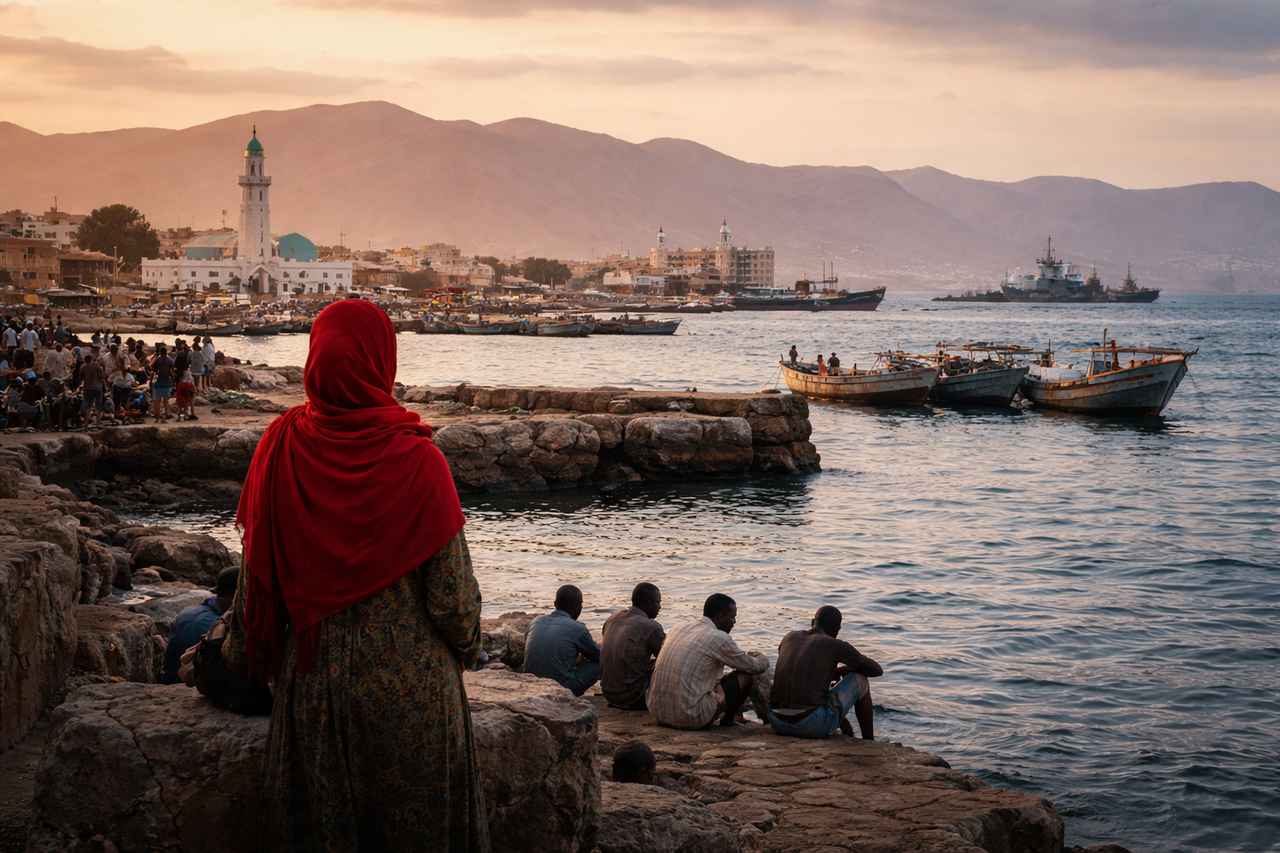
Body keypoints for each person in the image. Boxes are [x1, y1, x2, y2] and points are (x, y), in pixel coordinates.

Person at [221, 299, 489, 851]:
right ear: (381, 361)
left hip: (315, 689)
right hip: (412, 695)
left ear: (315, 359)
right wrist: (468, 648)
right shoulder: (418, 462)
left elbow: (257, 586)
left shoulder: (280, 447)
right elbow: (454, 605)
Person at [647, 593, 770, 729]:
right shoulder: (719, 638)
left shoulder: (678, 628)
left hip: (657, 711)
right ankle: (728, 720)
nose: (734, 622)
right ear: (720, 616)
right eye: (732, 617)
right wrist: (761, 656)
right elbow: (753, 666)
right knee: (747, 676)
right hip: (689, 716)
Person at [768, 606, 883, 740]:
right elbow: (876, 670)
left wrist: (833, 671)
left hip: (776, 721)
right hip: (808, 725)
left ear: (813, 622)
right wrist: (848, 669)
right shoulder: (834, 644)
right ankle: (869, 741)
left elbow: (799, 674)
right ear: (837, 629)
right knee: (860, 680)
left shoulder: (789, 637)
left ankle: (839, 723)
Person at [161, 567, 239, 684]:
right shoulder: (213, 627)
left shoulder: (194, 610)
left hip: (170, 677)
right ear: (234, 596)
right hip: (184, 684)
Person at [524, 584, 601, 697]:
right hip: (561, 689)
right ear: (579, 607)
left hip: (531, 684)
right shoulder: (578, 628)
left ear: (555, 604)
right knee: (601, 662)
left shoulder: (536, 621)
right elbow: (598, 656)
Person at [600, 582, 665, 710]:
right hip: (633, 697)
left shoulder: (612, 619)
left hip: (608, 694)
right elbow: (666, 659)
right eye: (657, 602)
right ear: (647, 603)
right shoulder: (651, 626)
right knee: (670, 666)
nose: (660, 607)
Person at [80, 345, 106, 426]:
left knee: (89, 405)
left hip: (87, 388)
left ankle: (86, 422)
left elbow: (81, 378)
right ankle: (98, 422)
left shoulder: (83, 367)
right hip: (97, 387)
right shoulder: (97, 365)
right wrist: (105, 386)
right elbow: (102, 377)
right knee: (98, 405)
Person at [150, 344, 174, 422]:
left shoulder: (157, 359)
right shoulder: (170, 360)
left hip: (158, 382)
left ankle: (157, 417)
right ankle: (165, 416)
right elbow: (172, 372)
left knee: (157, 401)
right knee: (166, 401)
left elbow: (152, 369)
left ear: (160, 352)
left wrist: (150, 381)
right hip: (166, 382)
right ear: (166, 352)